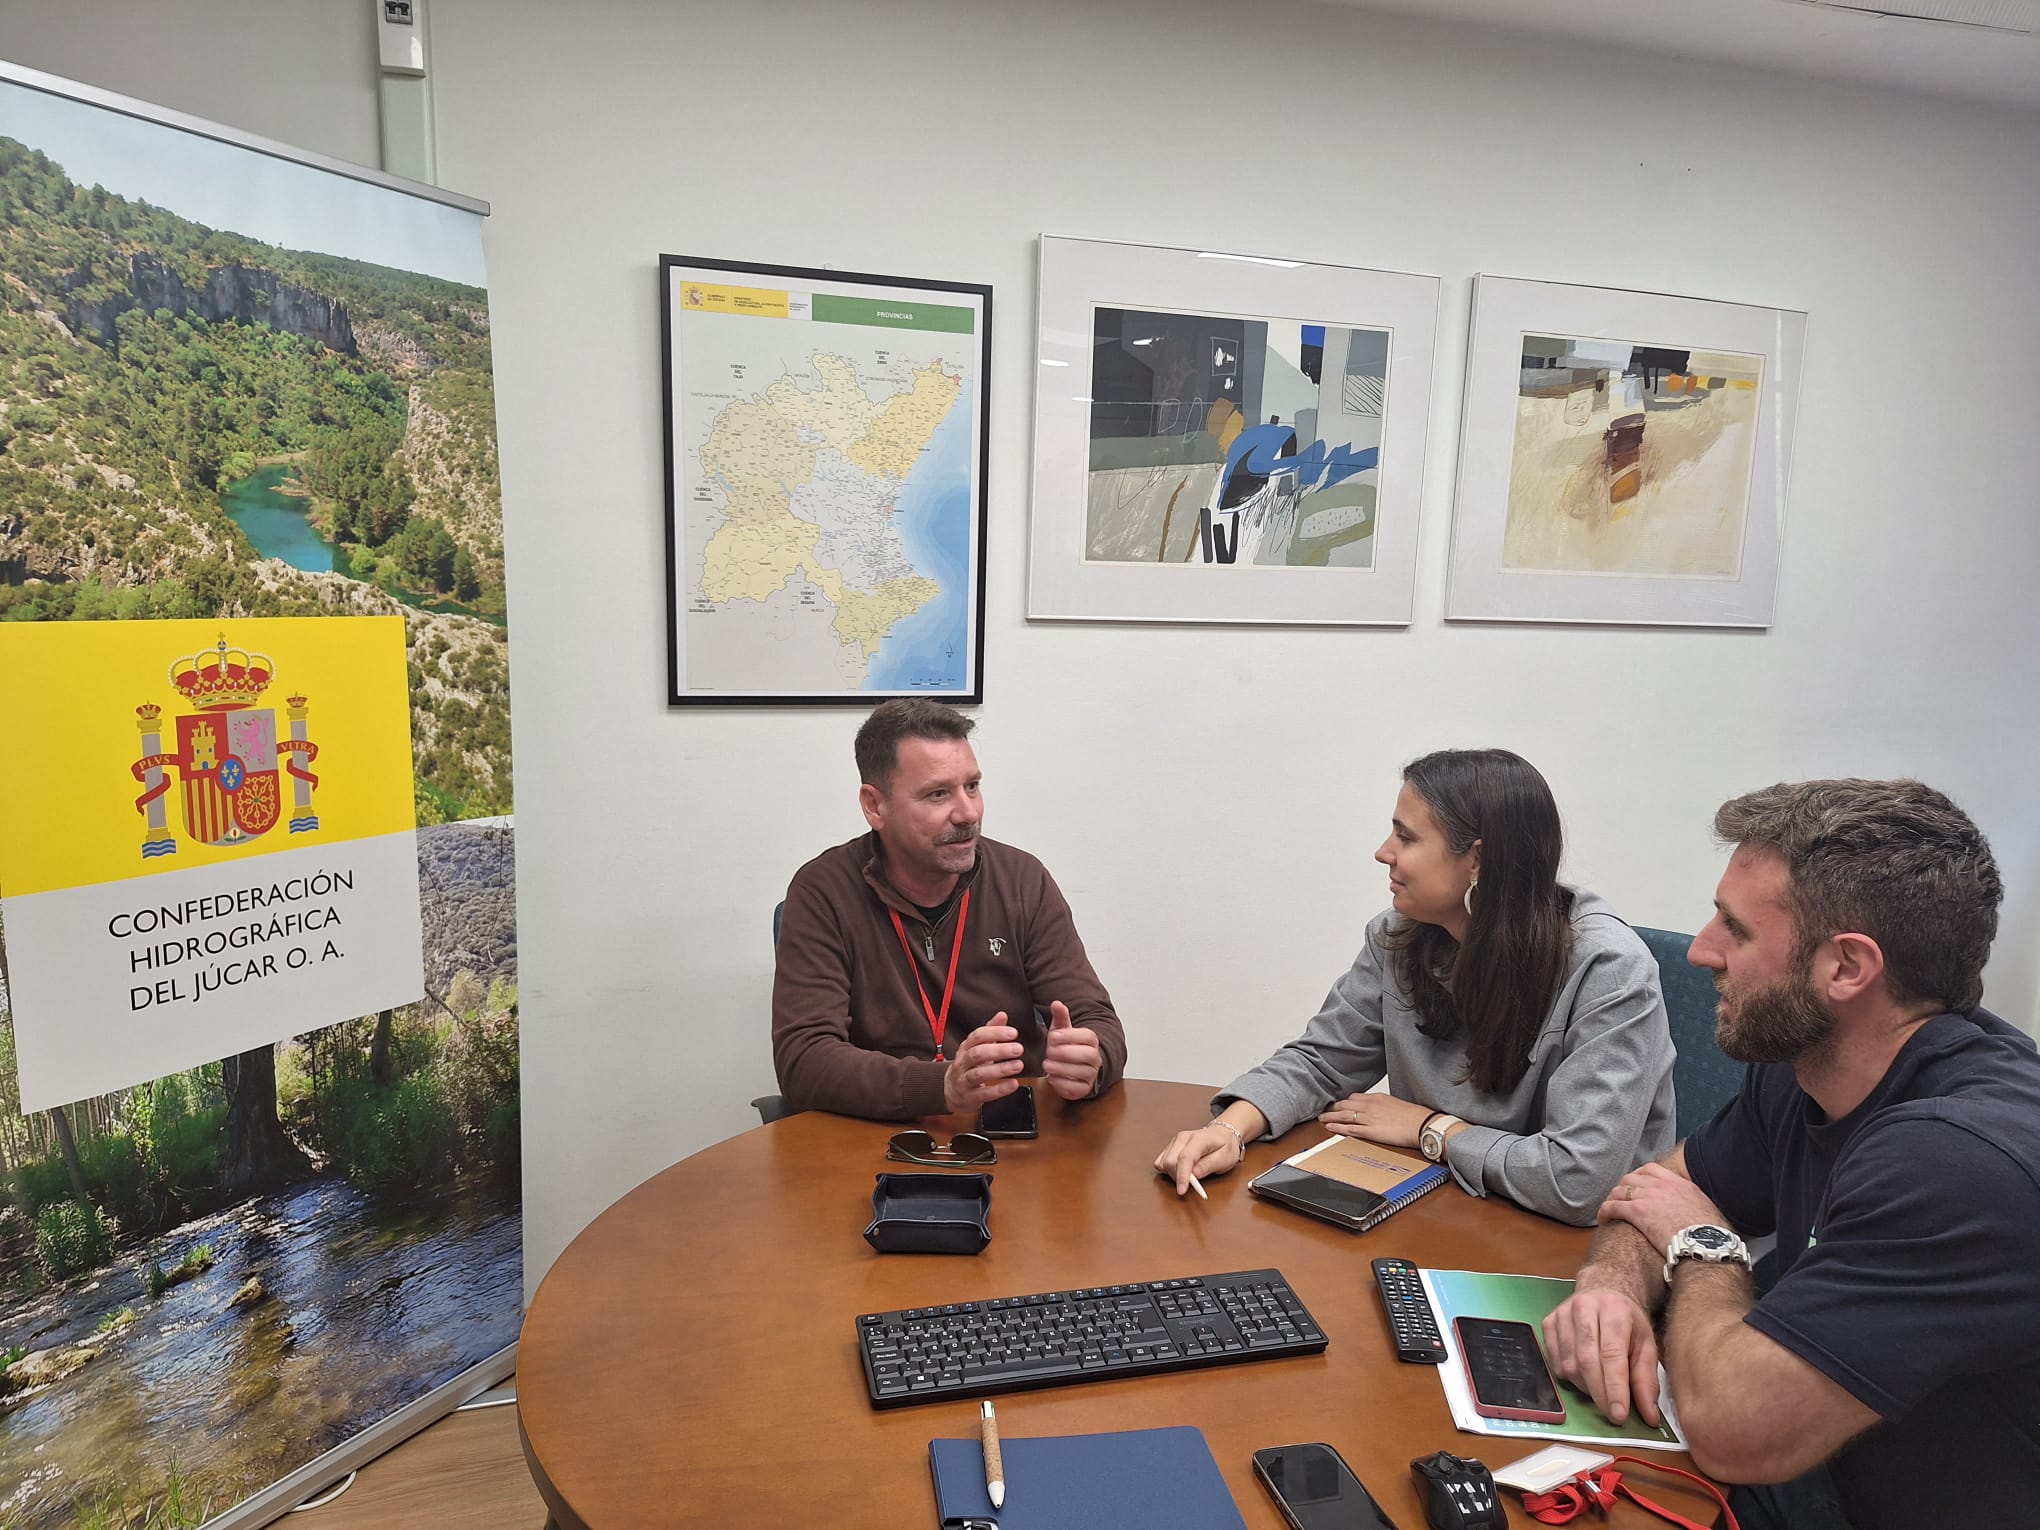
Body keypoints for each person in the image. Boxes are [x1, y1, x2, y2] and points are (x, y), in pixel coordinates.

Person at [1541, 779, 2037, 1530]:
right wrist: (1611, 1285)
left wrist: (1702, 1245)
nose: (1702, 950)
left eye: (1735, 931)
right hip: (1821, 1464)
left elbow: (1738, 1431)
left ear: (1846, 967)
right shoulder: (1808, 1059)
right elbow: (1657, 1189)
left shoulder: (1959, 1162)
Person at [1155, 748, 1674, 1225]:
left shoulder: (1609, 969)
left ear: (1477, 860)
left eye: (1406, 837)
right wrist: (1226, 1131)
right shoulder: (1399, 934)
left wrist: (1432, 1130)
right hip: (1447, 1209)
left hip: (1574, 1246)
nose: (1383, 853)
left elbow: (1577, 1181)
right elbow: (1324, 1061)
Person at [772, 698, 1127, 1121]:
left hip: (1013, 1134)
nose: (968, 812)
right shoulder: (823, 891)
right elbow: (805, 1061)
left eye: (972, 786)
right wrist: (941, 1087)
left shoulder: (1021, 879)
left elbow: (1096, 1017)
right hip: (880, 1136)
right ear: (875, 805)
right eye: (938, 793)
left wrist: (1093, 1059)